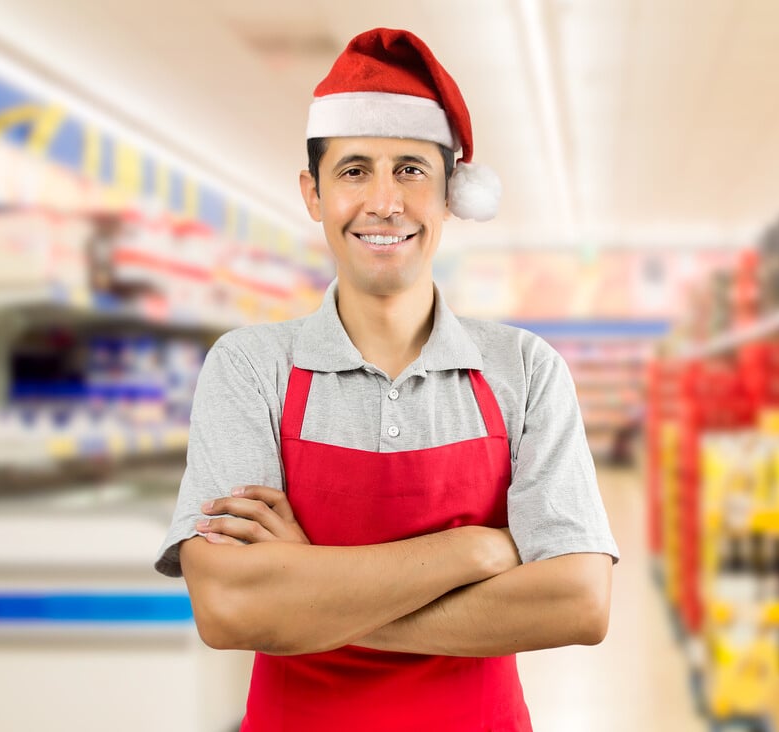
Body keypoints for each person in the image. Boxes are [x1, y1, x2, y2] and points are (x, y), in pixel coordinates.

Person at [155, 27, 619, 731]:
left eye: (409, 169)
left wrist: (306, 595)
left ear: (448, 195)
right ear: (312, 193)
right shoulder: (252, 368)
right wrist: (477, 550)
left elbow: (580, 604)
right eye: (353, 171)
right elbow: (229, 609)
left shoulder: (524, 370)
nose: (383, 202)